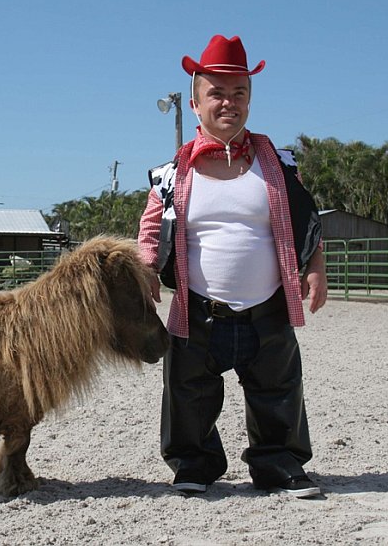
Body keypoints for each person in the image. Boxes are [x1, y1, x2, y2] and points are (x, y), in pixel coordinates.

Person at [138, 34, 327, 498]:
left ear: (250, 98)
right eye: (217, 93)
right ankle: (194, 464)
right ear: (197, 102)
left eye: (239, 92)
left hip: (268, 308)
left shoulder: (280, 165)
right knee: (188, 393)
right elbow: (147, 233)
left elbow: (308, 218)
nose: (229, 102)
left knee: (278, 391)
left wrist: (316, 268)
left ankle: (279, 464)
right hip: (199, 309)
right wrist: (145, 277)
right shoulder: (169, 175)